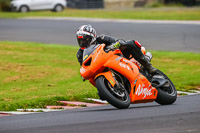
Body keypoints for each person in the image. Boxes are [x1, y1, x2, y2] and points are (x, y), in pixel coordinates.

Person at [76, 24, 157, 75]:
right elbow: (84, 67)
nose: (82, 42)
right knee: (101, 94)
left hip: (119, 57)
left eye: (85, 40)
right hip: (102, 68)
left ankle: (148, 66)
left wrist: (115, 45)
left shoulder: (101, 38)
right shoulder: (80, 54)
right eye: (80, 40)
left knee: (131, 43)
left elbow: (118, 41)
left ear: (92, 37)